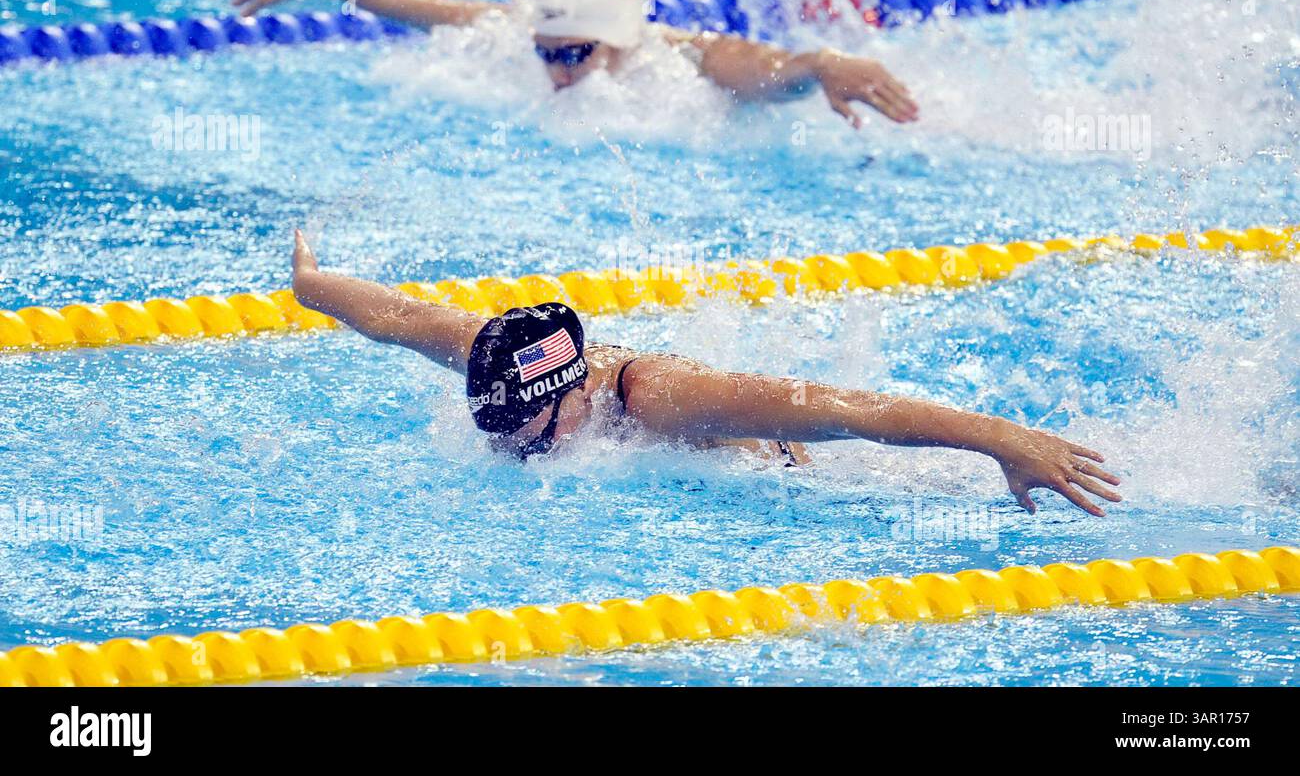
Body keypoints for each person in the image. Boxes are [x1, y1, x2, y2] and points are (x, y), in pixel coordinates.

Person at [290, 231, 1122, 516]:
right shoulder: (505, 359)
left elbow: (845, 407)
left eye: (528, 437)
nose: (512, 451)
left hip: (822, 477)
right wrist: (311, 284)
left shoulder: (654, 399)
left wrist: (1003, 440)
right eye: (499, 435)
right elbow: (396, 317)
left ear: (573, 398)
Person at [233, 0, 919, 125]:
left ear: (619, 43)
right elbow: (428, 7)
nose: (556, 69)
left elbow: (763, 67)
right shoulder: (531, 34)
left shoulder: (679, 60)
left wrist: (822, 62)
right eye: (547, 52)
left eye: (573, 55)